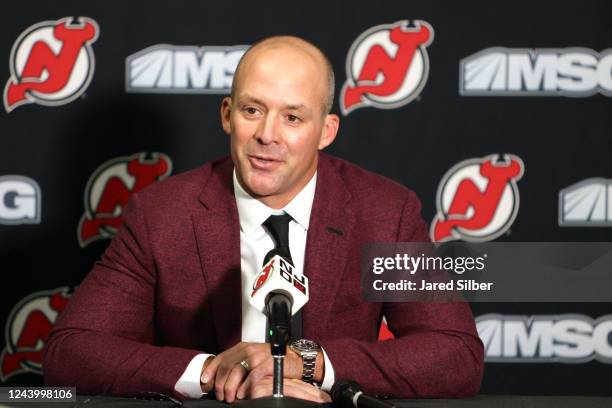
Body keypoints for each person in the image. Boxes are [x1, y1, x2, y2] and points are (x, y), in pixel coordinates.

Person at [44, 36, 483, 403]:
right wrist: (215, 372)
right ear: (227, 115)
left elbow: (455, 354)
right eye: (252, 110)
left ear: (326, 131)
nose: (267, 135)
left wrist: (307, 363)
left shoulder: (384, 212)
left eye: (292, 117)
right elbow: (71, 352)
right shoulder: (162, 214)